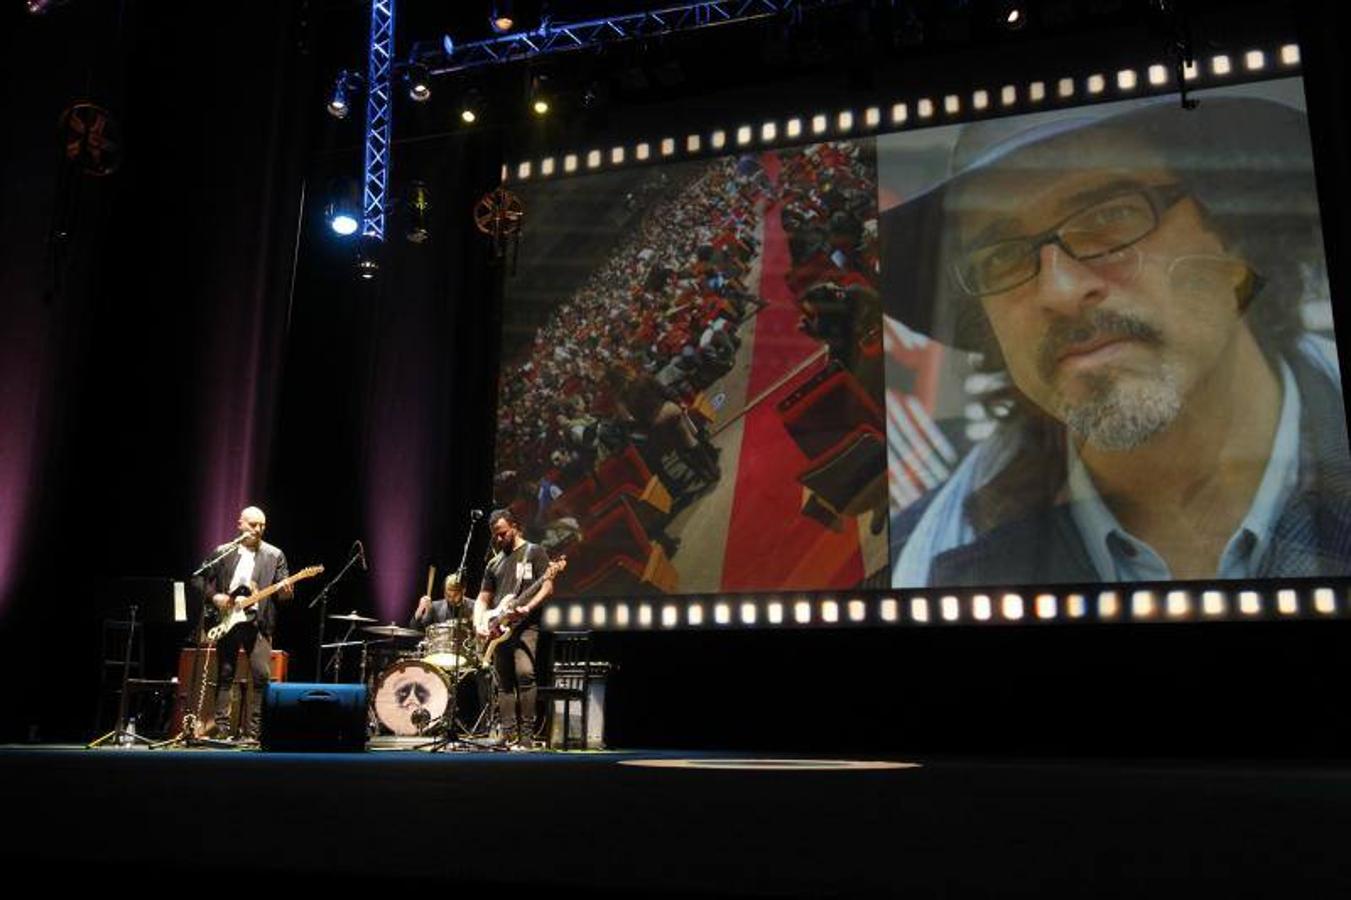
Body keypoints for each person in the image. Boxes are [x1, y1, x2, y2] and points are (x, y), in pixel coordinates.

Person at [882, 93, 1351, 587]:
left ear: (1232, 236)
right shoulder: (919, 568)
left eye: (1108, 218)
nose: (1059, 292)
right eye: (1003, 258)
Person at [202, 505, 292, 740]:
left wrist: (286, 590)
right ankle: (221, 730)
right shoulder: (223, 551)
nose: (258, 529)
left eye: (262, 525)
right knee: (225, 673)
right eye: (253, 524)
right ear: (240, 524)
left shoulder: (274, 555)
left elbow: (284, 594)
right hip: (228, 620)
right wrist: (216, 597)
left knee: (261, 677)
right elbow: (201, 580)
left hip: (258, 622)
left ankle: (255, 732)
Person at [471, 507, 556, 747]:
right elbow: (483, 599)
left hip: (526, 625)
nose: (499, 539)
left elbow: (547, 587)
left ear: (515, 527)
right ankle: (507, 733)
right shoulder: (494, 563)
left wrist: (529, 607)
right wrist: (479, 622)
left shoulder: (534, 552)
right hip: (499, 627)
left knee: (525, 674)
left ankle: (527, 735)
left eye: (503, 533)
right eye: (495, 535)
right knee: (504, 679)